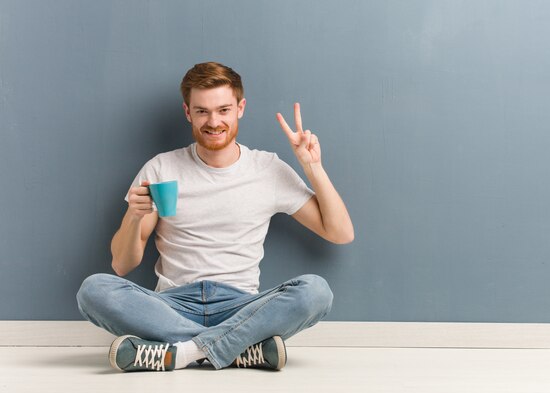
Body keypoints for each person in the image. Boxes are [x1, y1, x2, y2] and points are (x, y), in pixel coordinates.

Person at [76, 62, 354, 372]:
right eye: (202, 111)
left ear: (240, 108)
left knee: (316, 292)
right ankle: (237, 351)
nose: (213, 121)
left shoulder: (268, 169)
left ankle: (182, 353)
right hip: (172, 303)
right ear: (188, 113)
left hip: (242, 306)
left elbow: (340, 232)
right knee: (94, 290)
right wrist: (132, 216)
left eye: (223, 109)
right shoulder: (161, 168)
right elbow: (122, 264)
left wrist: (312, 166)